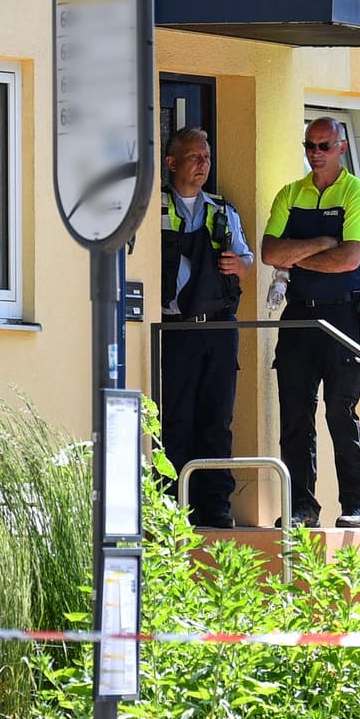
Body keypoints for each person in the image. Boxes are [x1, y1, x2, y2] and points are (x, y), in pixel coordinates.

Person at [261, 116, 360, 528]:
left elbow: (350, 259)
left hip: (344, 314)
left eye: (324, 146)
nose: (315, 154)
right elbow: (270, 253)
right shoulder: (290, 193)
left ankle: (356, 505)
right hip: (300, 314)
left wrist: (296, 256)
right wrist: (318, 245)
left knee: (340, 412)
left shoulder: (357, 193)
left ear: (342, 149)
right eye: (310, 145)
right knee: (295, 413)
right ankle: (301, 507)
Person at [158, 126, 253, 528]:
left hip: (218, 328)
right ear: (171, 162)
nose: (203, 164)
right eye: (195, 156)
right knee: (174, 419)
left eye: (207, 157)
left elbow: (248, 263)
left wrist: (239, 266)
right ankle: (169, 507)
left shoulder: (222, 210)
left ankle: (216, 507)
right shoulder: (153, 208)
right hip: (174, 329)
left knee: (217, 420)